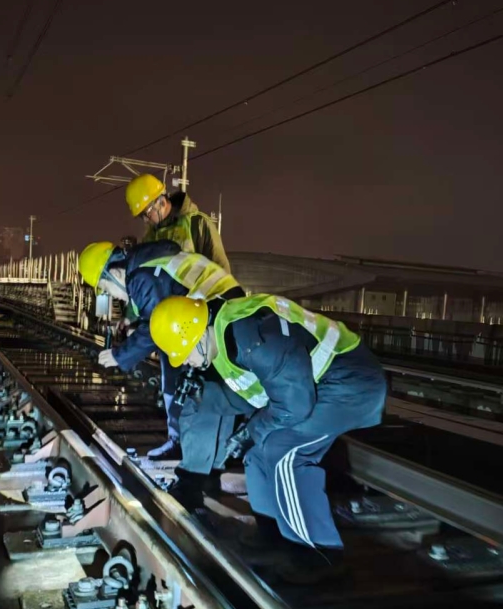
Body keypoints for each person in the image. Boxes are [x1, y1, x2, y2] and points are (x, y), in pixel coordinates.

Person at [148, 292, 387, 550]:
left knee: (284, 451)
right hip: (316, 386)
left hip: (351, 382)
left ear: (199, 335)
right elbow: (256, 392)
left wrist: (250, 431)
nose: (185, 361)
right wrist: (206, 399)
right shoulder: (224, 339)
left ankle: (315, 552)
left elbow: (294, 405)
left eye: (186, 353)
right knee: (256, 456)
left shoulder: (253, 339)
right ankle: (271, 537)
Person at [77, 239, 243, 459]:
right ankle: (213, 450)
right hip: (223, 305)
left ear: (115, 273)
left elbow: (153, 327)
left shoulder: (140, 277)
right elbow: (157, 303)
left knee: (186, 381)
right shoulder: (146, 263)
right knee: (213, 384)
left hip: (211, 311)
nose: (112, 296)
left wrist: (119, 355)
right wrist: (131, 320)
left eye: (106, 288)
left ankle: (187, 449)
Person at [125, 174, 230, 273]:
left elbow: (221, 271)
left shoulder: (197, 224)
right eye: (141, 216)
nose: (145, 220)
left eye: (147, 213)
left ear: (162, 202)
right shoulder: (150, 237)